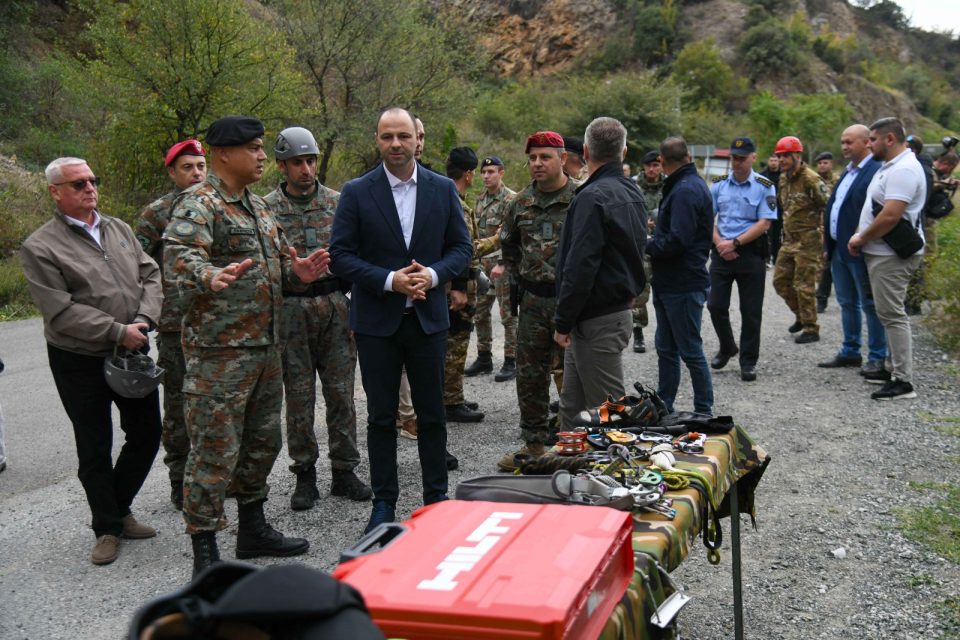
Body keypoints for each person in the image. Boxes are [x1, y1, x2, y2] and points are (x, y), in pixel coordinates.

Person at [163, 116, 331, 575]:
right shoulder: (201, 203)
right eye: (254, 149)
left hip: (265, 349)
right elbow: (180, 258)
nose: (262, 156)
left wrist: (298, 276)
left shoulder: (257, 208)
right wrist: (208, 275)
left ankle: (252, 529)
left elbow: (280, 265)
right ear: (223, 154)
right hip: (220, 356)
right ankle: (205, 551)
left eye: (262, 148)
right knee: (214, 450)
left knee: (262, 443)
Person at [329, 108, 472, 533]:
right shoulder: (356, 192)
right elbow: (341, 256)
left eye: (403, 136)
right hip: (378, 323)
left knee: (432, 414)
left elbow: (460, 249)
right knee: (380, 417)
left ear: (417, 140)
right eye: (387, 136)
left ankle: (436, 499)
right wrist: (391, 280)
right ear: (377, 140)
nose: (396, 144)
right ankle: (384, 503)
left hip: (428, 320)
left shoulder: (442, 189)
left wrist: (431, 275)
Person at [21, 157, 162, 566]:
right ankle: (107, 528)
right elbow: (59, 311)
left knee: (147, 432)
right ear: (55, 192)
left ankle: (117, 508)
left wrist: (144, 318)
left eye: (92, 180)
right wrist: (118, 330)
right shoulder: (40, 246)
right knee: (94, 445)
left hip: (132, 348)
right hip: (78, 359)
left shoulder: (117, 228)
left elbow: (151, 274)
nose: (89, 188)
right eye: (78, 183)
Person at [264, 126, 372, 511]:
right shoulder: (266, 209)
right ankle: (304, 475)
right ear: (282, 165)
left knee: (342, 391)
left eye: (310, 161)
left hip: (334, 304)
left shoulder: (339, 202)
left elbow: (358, 253)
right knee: (299, 396)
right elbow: (264, 265)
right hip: (291, 309)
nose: (306, 169)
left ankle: (344, 470)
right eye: (297, 162)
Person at [553, 117, 646, 428]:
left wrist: (562, 320)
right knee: (571, 408)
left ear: (584, 150)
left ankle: (612, 476)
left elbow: (580, 267)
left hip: (596, 319)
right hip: (600, 315)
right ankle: (566, 472)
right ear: (624, 152)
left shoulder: (592, 197)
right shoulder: (632, 192)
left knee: (609, 416)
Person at [135, 139, 207, 511]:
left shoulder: (218, 205)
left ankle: (214, 478)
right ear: (172, 172)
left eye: (200, 166)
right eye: (187, 167)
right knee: (178, 404)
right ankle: (179, 479)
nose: (196, 173)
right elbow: (136, 267)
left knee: (215, 405)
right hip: (175, 327)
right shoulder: (158, 213)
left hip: (218, 325)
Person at [497, 131, 575, 471]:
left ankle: (576, 442)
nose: (538, 163)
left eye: (545, 156)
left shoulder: (581, 198)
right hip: (531, 303)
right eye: (532, 158)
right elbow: (509, 246)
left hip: (570, 303)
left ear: (563, 160)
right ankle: (534, 445)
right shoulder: (520, 203)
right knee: (530, 376)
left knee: (574, 375)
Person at [848, 117, 927, 400]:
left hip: (891, 255)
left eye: (872, 139)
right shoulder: (890, 167)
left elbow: (892, 215)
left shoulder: (904, 169)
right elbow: (875, 208)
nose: (868, 144)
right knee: (886, 312)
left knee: (893, 315)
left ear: (889, 139)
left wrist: (861, 237)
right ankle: (891, 367)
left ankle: (903, 381)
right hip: (881, 252)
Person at [645, 137, 714, 416]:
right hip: (670, 282)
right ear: (687, 156)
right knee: (666, 348)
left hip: (683, 283)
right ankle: (665, 403)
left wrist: (646, 243)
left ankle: (703, 410)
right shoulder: (684, 185)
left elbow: (678, 240)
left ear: (662, 162)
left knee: (690, 350)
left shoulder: (685, 190)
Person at [707, 137, 777, 382]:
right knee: (715, 305)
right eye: (733, 158)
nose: (736, 163)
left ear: (753, 157)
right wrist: (720, 244)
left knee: (750, 311)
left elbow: (765, 222)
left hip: (749, 253)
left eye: (741, 158)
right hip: (721, 252)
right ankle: (727, 346)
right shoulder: (718, 184)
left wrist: (735, 243)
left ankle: (748, 362)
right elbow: (707, 218)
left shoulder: (764, 184)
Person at [817, 124, 886, 374]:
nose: (844, 146)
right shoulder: (848, 172)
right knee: (847, 302)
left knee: (870, 304)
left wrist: (860, 239)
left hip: (861, 250)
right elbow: (835, 208)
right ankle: (850, 351)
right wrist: (828, 245)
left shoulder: (875, 171)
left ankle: (878, 356)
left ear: (867, 142)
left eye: (849, 142)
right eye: (843, 142)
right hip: (839, 249)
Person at [772, 135, 829, 343]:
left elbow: (827, 206)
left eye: (786, 156)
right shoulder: (783, 177)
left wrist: (824, 236)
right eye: (779, 156)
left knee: (803, 285)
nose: (782, 160)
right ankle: (801, 316)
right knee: (780, 281)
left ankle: (811, 328)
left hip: (808, 240)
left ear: (797, 155)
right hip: (789, 240)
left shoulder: (811, 179)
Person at [443, 146, 485, 423]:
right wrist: (499, 239)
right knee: (456, 344)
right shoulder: (456, 203)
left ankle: (453, 395)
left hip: (457, 282)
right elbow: (466, 249)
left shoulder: (451, 199)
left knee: (456, 342)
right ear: (468, 175)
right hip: (459, 284)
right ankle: (450, 401)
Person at [466, 156, 517, 382]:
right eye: (484, 172)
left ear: (501, 173)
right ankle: (484, 357)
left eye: (491, 171)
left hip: (504, 266)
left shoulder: (511, 199)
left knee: (509, 315)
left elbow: (514, 236)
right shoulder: (479, 199)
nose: (486, 176)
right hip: (483, 265)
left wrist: (502, 263)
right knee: (480, 312)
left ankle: (511, 360)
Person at [632, 149, 664, 354]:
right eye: (648, 165)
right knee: (638, 290)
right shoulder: (632, 184)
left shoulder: (669, 184)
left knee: (663, 291)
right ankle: (638, 331)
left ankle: (665, 333)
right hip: (639, 244)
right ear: (643, 167)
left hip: (662, 244)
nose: (652, 169)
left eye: (656, 165)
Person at [814, 151, 837, 313]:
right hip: (816, 226)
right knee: (821, 262)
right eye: (820, 163)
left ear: (831, 164)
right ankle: (821, 296)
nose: (822, 165)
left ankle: (822, 296)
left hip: (832, 227)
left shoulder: (838, 180)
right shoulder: (813, 179)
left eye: (825, 163)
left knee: (828, 262)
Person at [761, 154, 784, 264]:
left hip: (781, 209)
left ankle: (776, 258)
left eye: (775, 160)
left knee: (778, 235)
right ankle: (766, 257)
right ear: (768, 161)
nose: (774, 162)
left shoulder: (784, 175)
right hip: (766, 209)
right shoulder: (762, 176)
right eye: (771, 160)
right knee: (766, 234)